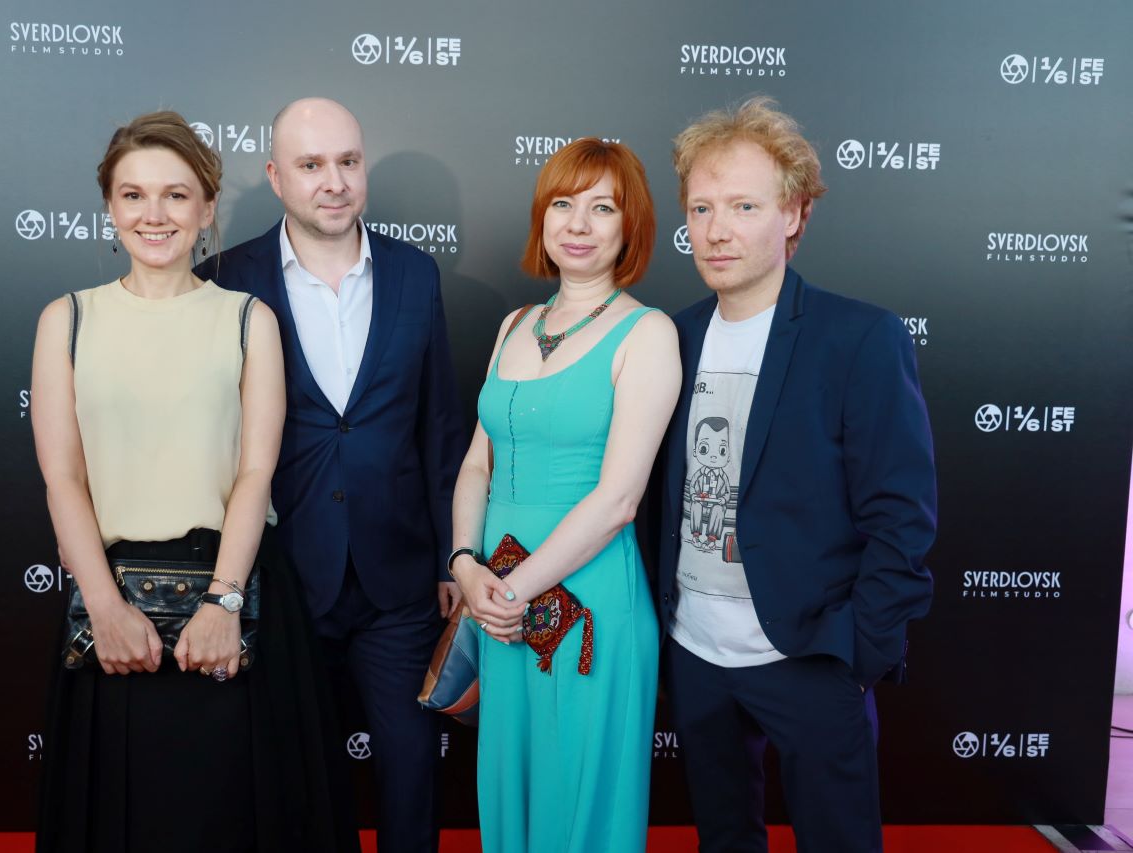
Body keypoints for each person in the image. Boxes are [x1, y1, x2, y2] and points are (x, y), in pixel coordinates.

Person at [31, 110, 352, 852]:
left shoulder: (247, 318)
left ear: (207, 208)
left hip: (231, 603)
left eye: (176, 195)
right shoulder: (67, 319)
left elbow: (255, 471)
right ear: (110, 207)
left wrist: (222, 603)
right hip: (113, 611)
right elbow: (62, 476)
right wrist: (105, 610)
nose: (155, 214)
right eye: (134, 195)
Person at [654, 96, 937, 853]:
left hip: (811, 653)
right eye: (702, 208)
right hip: (694, 652)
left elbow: (901, 516)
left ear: (794, 214)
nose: (716, 230)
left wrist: (856, 653)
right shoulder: (670, 336)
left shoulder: (861, 337)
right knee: (724, 838)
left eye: (744, 206)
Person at [198, 97, 466, 853]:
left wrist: (453, 555)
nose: (334, 181)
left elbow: (440, 427)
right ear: (275, 176)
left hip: (400, 580)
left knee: (412, 773)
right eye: (311, 165)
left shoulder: (414, 273)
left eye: (348, 161)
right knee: (295, 782)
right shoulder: (223, 280)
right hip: (281, 575)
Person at [448, 138, 680, 853]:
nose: (578, 223)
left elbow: (618, 500)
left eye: (602, 207)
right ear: (542, 218)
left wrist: (510, 591)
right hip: (498, 604)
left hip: (586, 605)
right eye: (563, 204)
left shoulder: (648, 333)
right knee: (513, 785)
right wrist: (465, 566)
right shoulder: (513, 325)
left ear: (630, 227)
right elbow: (476, 465)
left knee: (579, 797)